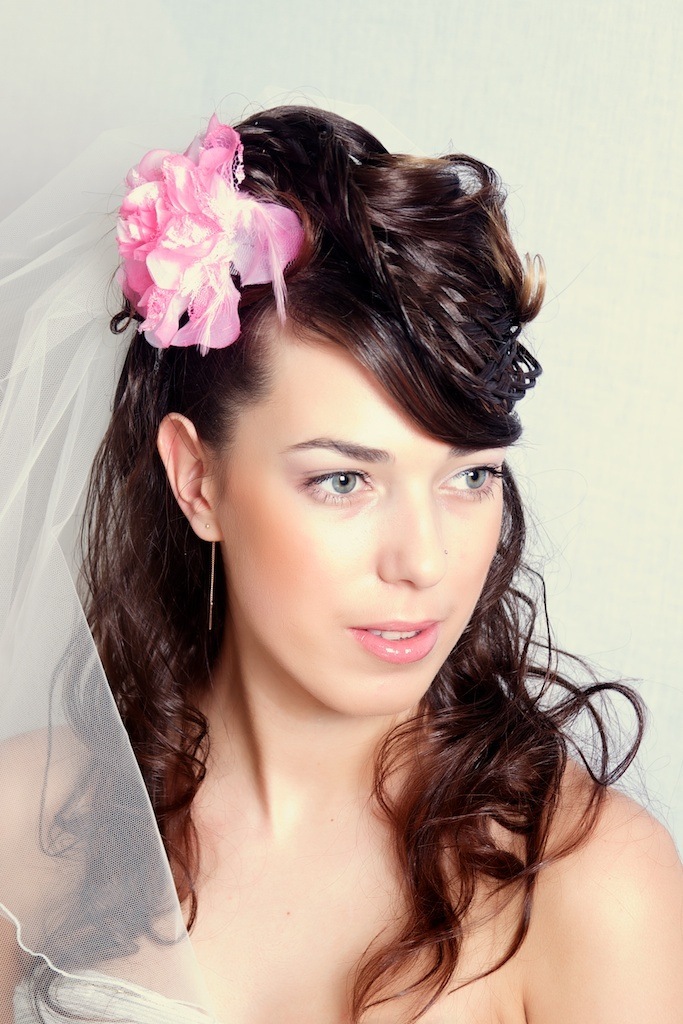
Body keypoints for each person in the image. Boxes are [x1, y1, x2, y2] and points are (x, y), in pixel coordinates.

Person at [1, 104, 681, 1024]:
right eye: (343, 481)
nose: (424, 560)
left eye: (469, 476)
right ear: (197, 480)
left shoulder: (589, 886)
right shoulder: (23, 823)